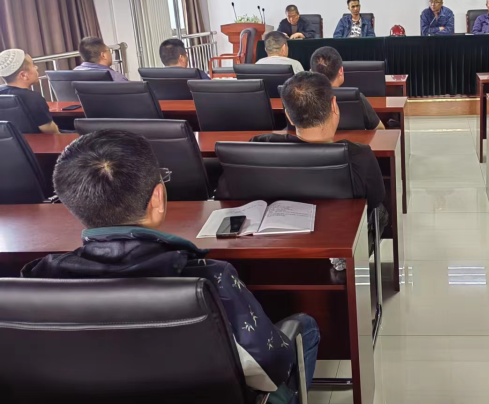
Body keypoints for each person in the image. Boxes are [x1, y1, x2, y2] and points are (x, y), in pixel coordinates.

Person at [23, 129, 319, 402]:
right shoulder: (210, 278)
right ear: (158, 197)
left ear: (71, 202)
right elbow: (270, 368)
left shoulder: (37, 281)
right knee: (303, 327)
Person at [251, 71, 387, 217]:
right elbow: (375, 200)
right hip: (340, 227)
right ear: (334, 105)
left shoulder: (259, 145)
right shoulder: (359, 156)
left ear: (289, 116)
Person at [309, 46, 385, 130]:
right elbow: (380, 129)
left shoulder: (304, 99)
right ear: (341, 71)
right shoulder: (357, 98)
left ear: (311, 72)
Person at [0, 49, 60, 134]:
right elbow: (51, 132)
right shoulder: (34, 98)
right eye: (33, 65)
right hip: (40, 142)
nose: (36, 67)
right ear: (23, 75)